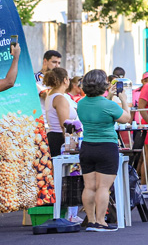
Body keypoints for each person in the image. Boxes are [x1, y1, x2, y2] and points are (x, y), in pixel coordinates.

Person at [77, 69, 132, 231]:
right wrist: (124, 101)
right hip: (106, 147)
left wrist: (108, 98)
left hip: (87, 146)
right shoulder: (109, 105)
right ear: (104, 85)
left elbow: (98, 111)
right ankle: (101, 221)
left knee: (89, 186)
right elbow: (125, 119)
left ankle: (92, 221)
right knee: (103, 187)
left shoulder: (81, 103)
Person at [42, 68, 77, 158]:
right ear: (65, 80)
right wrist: (69, 142)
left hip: (54, 135)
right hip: (59, 138)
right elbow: (64, 124)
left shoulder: (51, 95)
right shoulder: (59, 98)